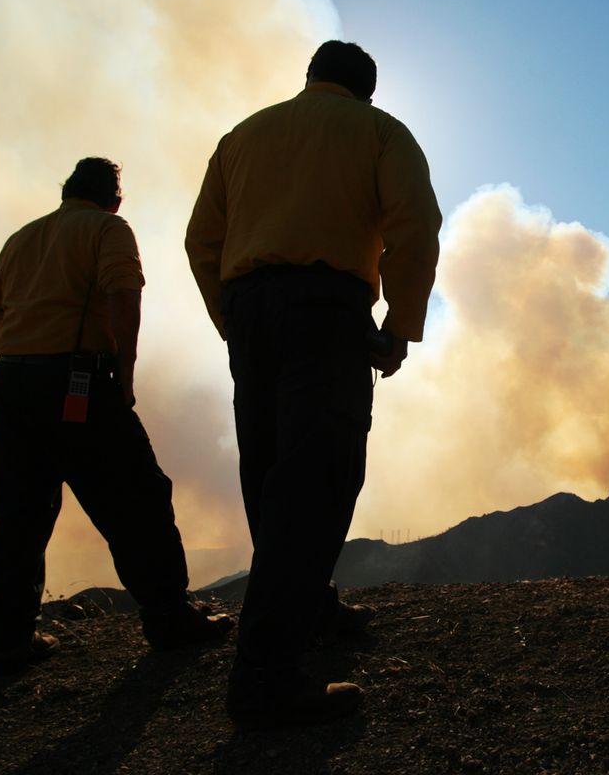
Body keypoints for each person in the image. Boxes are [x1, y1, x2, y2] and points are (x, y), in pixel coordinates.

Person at [186, 41, 441, 726]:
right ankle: (265, 678)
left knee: (271, 471)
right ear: (366, 90)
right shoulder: (379, 131)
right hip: (326, 312)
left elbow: (199, 242)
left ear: (310, 79)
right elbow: (416, 224)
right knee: (319, 475)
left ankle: (312, 607)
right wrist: (399, 322)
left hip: (249, 309)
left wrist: (229, 319)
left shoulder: (242, 137)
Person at [0, 158, 232, 676]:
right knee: (137, 496)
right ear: (114, 197)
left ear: (66, 190)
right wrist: (124, 370)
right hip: (78, 381)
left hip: (13, 383)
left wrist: (25, 353)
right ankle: (168, 617)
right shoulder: (108, 229)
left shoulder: (23, 237)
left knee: (17, 510)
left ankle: (7, 638)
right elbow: (122, 291)